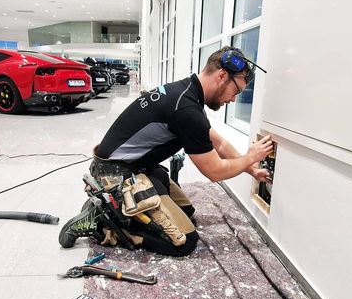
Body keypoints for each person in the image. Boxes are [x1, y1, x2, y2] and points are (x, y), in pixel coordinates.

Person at [59, 46, 274, 256]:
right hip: (114, 176)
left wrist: (252, 169)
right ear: (222, 75)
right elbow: (214, 171)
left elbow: (220, 145)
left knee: (187, 211)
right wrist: (250, 157)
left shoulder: (187, 94)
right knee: (183, 242)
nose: (234, 99)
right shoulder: (187, 109)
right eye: (236, 91)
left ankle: (116, 210)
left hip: (133, 167)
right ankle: (102, 222)